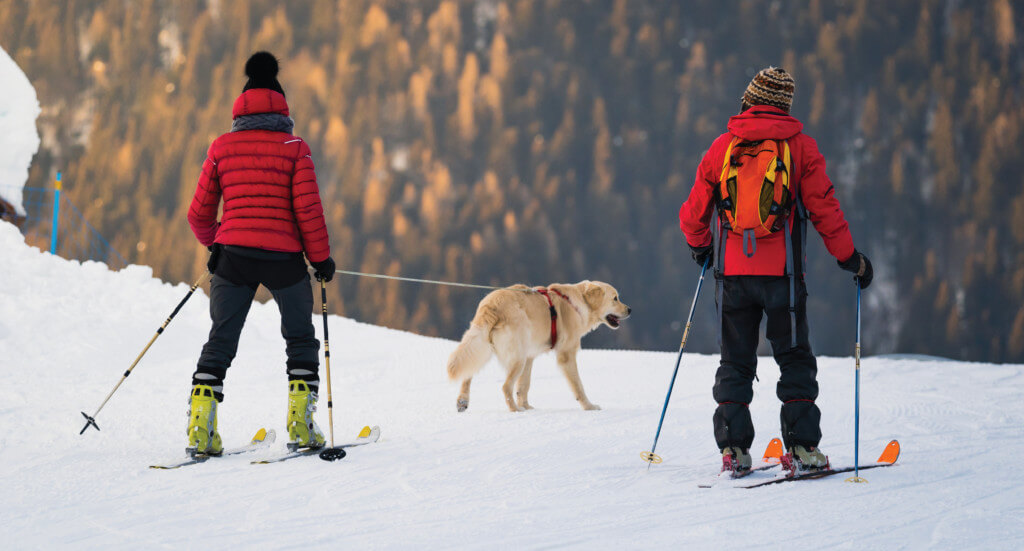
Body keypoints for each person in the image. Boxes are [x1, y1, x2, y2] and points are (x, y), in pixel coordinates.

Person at [678, 67, 873, 471]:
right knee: (794, 357)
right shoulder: (800, 148)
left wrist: (700, 247)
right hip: (783, 278)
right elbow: (824, 208)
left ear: (748, 100)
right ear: (784, 106)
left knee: (735, 361)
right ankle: (802, 448)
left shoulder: (722, 147)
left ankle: (733, 449)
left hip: (731, 276)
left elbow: (694, 212)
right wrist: (849, 257)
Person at [185, 51, 336, 456]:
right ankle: (301, 425)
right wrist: (320, 260)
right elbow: (309, 211)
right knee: (301, 338)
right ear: (282, 106)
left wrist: (216, 241)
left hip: (232, 255)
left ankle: (200, 427)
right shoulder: (295, 148)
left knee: (220, 339)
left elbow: (198, 213)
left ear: (241, 106)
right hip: (285, 259)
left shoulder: (221, 147)